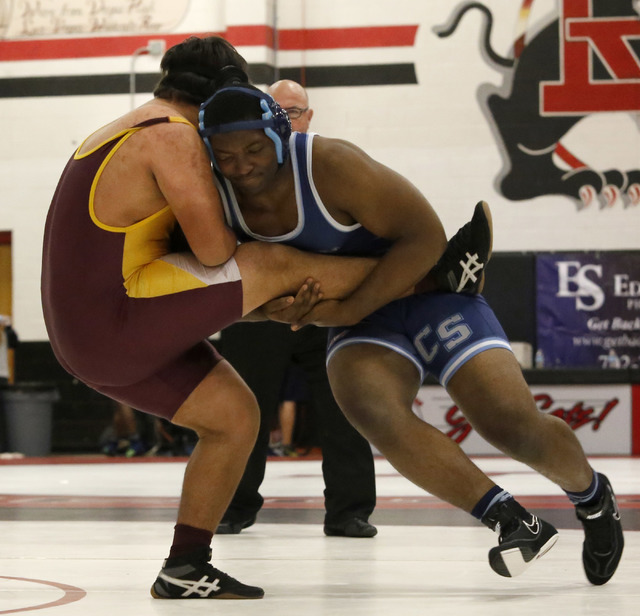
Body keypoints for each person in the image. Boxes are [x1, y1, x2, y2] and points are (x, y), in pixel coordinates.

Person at [40, 36, 486, 600]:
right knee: (267, 262)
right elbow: (214, 254)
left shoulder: (119, 127)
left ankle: (185, 566)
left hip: (87, 337)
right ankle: (432, 277)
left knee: (233, 417)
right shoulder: (171, 136)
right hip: (118, 318)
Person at [198, 75, 624, 585]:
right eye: (225, 156)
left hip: (424, 291)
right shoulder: (214, 200)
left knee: (508, 423)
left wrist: (347, 307)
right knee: (372, 409)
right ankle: (512, 520)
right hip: (358, 312)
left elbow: (427, 238)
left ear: (279, 136)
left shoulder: (330, 165)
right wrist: (277, 313)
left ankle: (593, 498)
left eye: (252, 150)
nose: (242, 166)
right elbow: (220, 294)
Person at [216, 79, 377, 538]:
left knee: (344, 405)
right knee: (241, 408)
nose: (288, 119)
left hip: (327, 303)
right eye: (279, 112)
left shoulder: (333, 165)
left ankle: (350, 510)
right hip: (259, 306)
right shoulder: (244, 170)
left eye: (295, 111)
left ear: (311, 116)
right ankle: (232, 505)